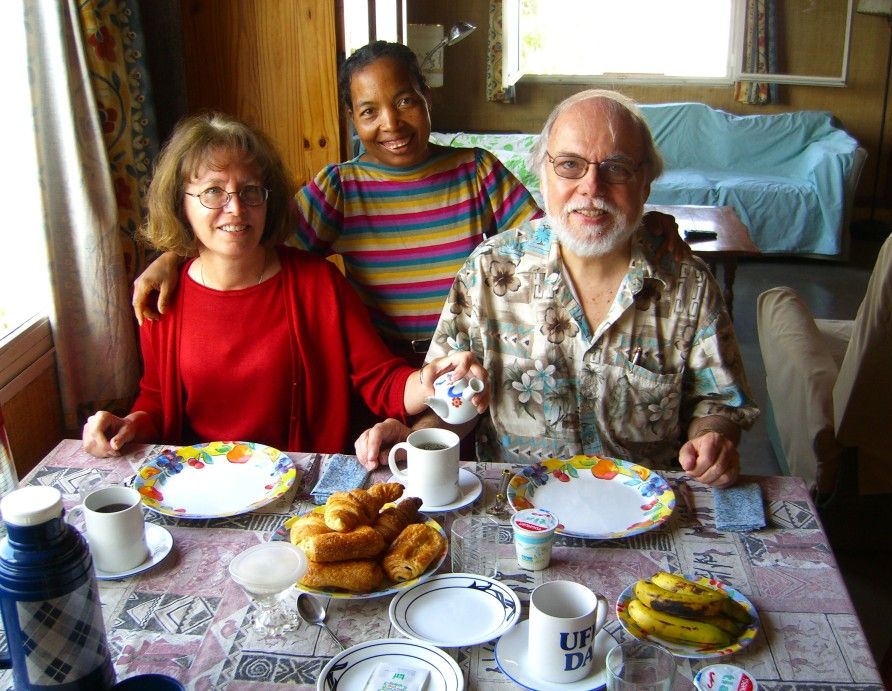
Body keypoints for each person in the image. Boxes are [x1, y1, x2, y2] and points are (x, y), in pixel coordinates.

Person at [356, 89, 759, 488]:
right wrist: (416, 440)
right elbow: (453, 399)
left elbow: (718, 403)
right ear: (543, 174)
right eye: (569, 165)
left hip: (646, 504)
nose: (592, 187)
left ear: (645, 184)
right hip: (518, 504)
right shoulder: (489, 272)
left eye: (617, 168)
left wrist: (713, 437)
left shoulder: (688, 285)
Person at [82, 112, 486, 459]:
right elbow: (156, 399)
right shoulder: (162, 299)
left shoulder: (318, 285)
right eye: (213, 192)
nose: (235, 208)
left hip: (300, 494)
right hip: (201, 490)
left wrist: (433, 378)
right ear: (180, 203)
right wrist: (129, 424)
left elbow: (380, 379)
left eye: (250, 191)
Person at [131, 41, 542, 364]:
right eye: (369, 111)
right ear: (351, 117)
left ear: (426, 97)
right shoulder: (340, 188)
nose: (391, 123)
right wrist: (173, 258)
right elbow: (253, 237)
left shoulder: (477, 171)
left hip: (465, 359)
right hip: (380, 363)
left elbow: (543, 244)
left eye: (405, 101)